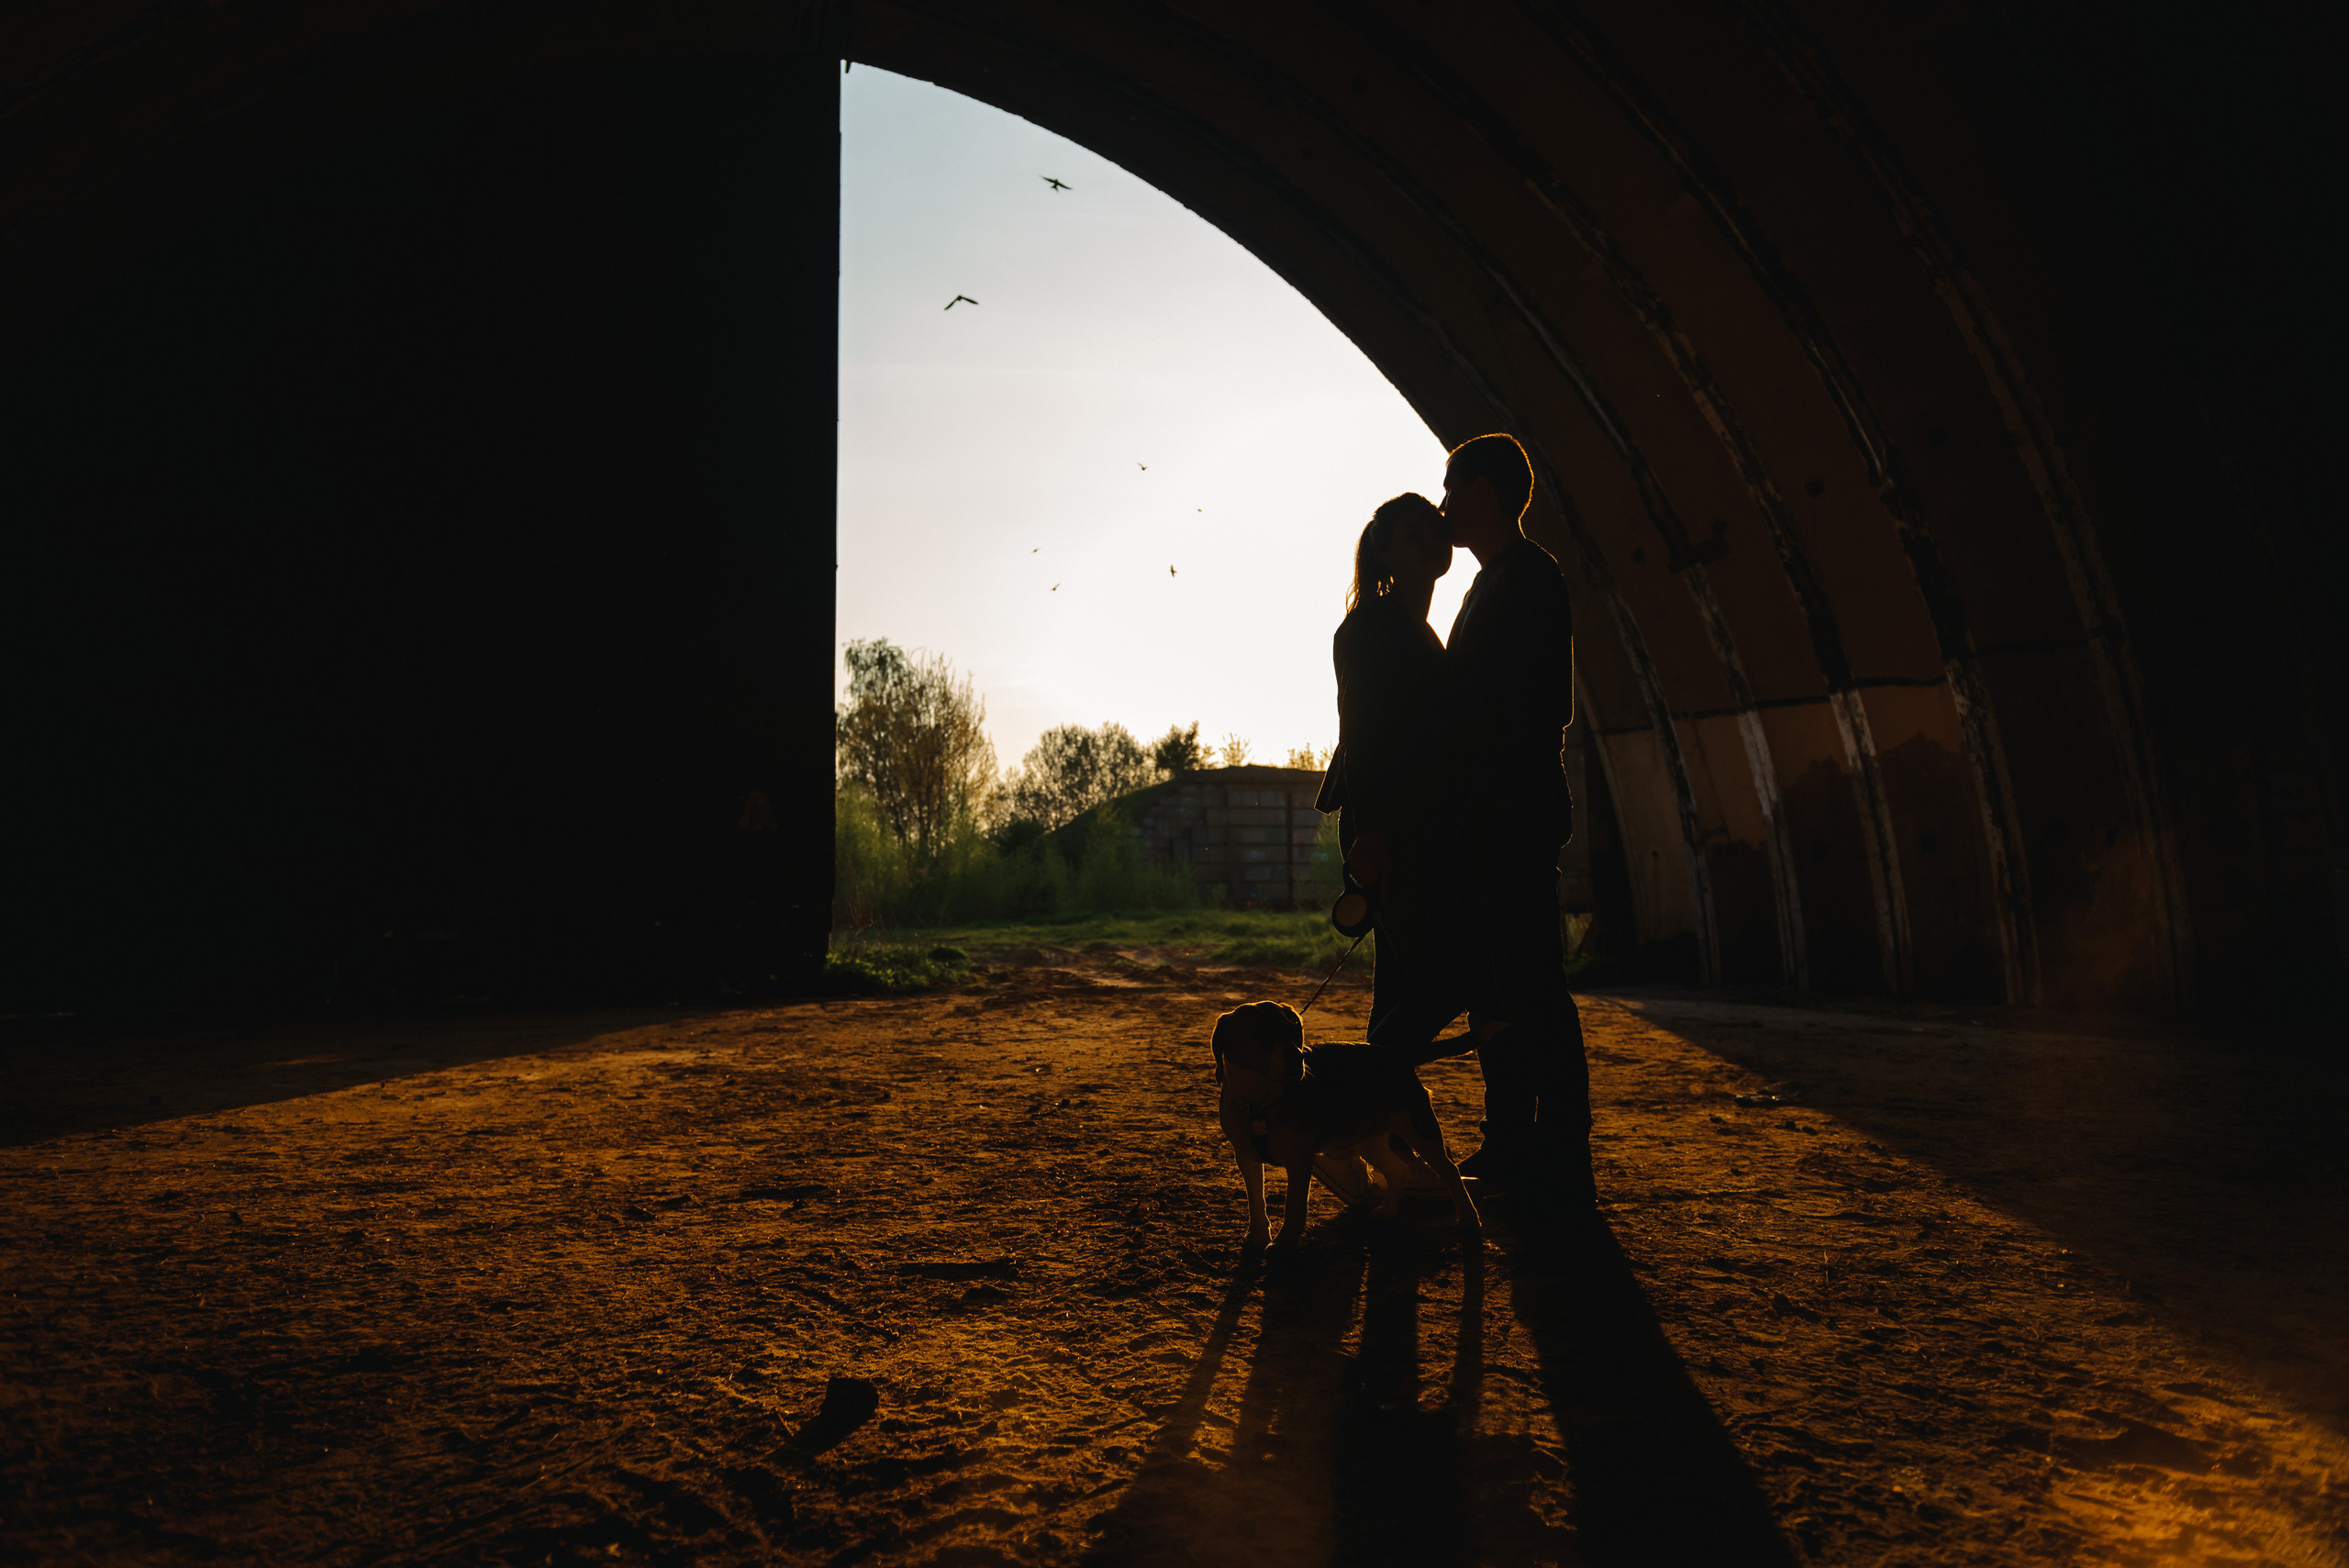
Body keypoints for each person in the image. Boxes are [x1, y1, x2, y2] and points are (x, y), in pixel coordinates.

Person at [1338, 437, 1593, 1206]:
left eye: (1450, 492)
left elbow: (1530, 706)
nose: (1443, 508)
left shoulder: (1525, 579)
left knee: (1525, 987)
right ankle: (1508, 1142)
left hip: (1508, 817)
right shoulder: (1481, 589)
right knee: (1497, 988)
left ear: (1482, 492)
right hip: (1470, 825)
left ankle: (1555, 1153)